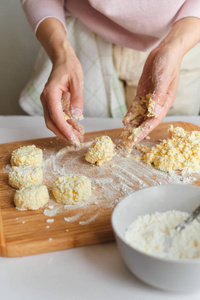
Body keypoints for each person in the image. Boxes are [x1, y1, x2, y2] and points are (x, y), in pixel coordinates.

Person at [20, 0, 200, 146]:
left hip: (181, 38)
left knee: (169, 145)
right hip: (81, 40)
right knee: (80, 131)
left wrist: (176, 45)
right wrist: (60, 53)